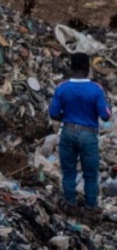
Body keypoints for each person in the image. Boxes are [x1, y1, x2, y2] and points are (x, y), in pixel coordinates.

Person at [49, 52, 112, 219]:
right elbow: (105, 116)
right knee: (90, 174)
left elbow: (53, 113)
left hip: (68, 131)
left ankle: (71, 205)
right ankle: (90, 209)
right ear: (88, 68)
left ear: (71, 67)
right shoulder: (96, 89)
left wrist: (67, 117)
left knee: (69, 172)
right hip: (88, 134)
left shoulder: (61, 88)